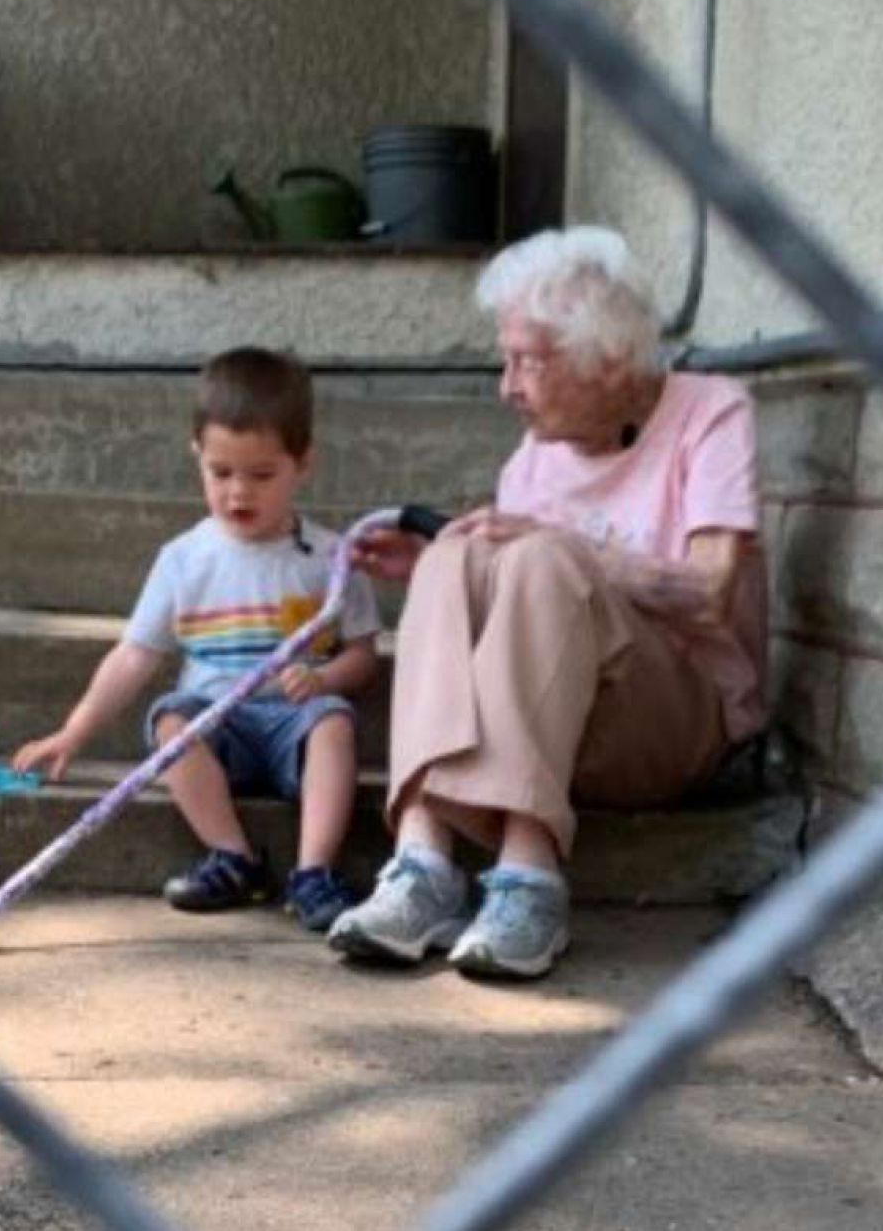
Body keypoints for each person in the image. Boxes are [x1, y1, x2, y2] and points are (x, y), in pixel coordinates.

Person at [326, 226, 767, 981]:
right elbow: (516, 636)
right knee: (454, 555)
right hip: (555, 733)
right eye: (507, 361)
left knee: (540, 558)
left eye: (528, 361)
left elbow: (709, 591)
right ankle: (423, 864)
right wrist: (448, 569)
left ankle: (529, 878)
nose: (507, 387)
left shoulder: (709, 411)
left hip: (677, 722)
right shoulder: (531, 460)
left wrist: (561, 546)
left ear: (612, 357)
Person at [13, 346, 382, 931]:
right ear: (198, 458)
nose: (240, 493)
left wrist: (325, 679)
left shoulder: (331, 559)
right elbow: (136, 654)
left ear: (303, 463)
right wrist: (75, 730)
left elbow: (364, 653)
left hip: (295, 722)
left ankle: (313, 872)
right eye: (221, 473)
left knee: (335, 723)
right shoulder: (184, 560)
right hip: (218, 723)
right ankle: (235, 858)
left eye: (262, 475)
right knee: (171, 725)